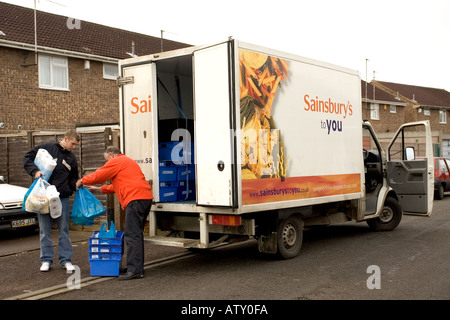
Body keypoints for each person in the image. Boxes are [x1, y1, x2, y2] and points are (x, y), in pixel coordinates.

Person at [76, 146, 153, 280]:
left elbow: (99, 175)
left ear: (111, 155)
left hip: (135, 199)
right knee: (136, 234)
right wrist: (99, 189)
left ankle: (135, 271)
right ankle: (136, 268)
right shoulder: (127, 162)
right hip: (144, 198)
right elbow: (117, 185)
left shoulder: (117, 161)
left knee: (132, 235)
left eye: (107, 160)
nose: (106, 163)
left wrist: (82, 180)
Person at [23, 130, 80, 272]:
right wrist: (34, 171)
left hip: (62, 197)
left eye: (76, 145)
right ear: (65, 138)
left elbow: (73, 178)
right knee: (44, 230)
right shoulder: (46, 148)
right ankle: (46, 260)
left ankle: (66, 260)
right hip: (43, 197)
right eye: (72, 144)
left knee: (64, 230)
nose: (73, 147)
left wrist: (76, 185)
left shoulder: (72, 158)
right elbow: (27, 158)